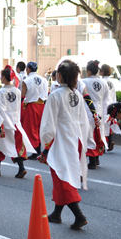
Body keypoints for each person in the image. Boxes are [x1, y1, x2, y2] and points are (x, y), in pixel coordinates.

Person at [41, 60, 90, 229]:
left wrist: (46, 145)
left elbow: (49, 125)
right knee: (63, 174)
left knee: (62, 177)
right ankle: (57, 213)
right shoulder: (76, 94)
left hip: (61, 140)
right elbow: (83, 120)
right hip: (74, 138)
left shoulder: (55, 95)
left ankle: (78, 215)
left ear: (59, 76)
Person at [0, 66, 34, 178]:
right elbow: (18, 108)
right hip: (15, 121)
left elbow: (0, 110)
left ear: (4, 77)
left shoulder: (0, 92)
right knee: (16, 145)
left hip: (3, 122)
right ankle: (21, 168)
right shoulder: (17, 91)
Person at [82, 60, 109, 169]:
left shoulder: (83, 82)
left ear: (88, 71)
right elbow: (105, 100)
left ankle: (92, 160)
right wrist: (105, 114)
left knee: (89, 134)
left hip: (87, 109)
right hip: (100, 109)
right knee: (98, 133)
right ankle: (97, 157)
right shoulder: (104, 82)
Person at [21, 62, 49, 159]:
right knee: (39, 128)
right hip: (42, 105)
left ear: (28, 69)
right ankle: (39, 149)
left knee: (31, 129)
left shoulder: (26, 80)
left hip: (31, 106)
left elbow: (23, 95)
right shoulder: (44, 80)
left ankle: (36, 151)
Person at [101, 64, 120, 151]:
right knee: (109, 124)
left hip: (104, 105)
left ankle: (104, 145)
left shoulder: (102, 82)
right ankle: (110, 141)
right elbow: (114, 95)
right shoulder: (112, 82)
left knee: (103, 126)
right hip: (112, 104)